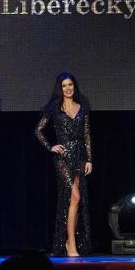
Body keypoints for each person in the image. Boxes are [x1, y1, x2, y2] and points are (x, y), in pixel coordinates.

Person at [34, 73, 93, 257]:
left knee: (76, 200)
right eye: (64, 86)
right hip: (62, 158)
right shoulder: (54, 109)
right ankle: (71, 245)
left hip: (79, 156)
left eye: (70, 85)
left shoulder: (82, 108)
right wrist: (50, 146)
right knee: (74, 196)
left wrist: (89, 159)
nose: (68, 88)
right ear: (60, 88)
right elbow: (38, 130)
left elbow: (87, 135)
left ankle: (69, 241)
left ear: (74, 86)